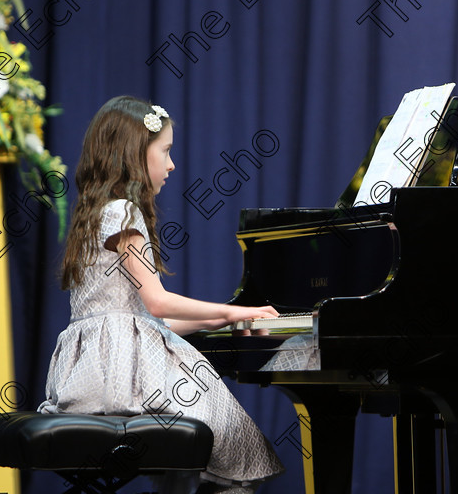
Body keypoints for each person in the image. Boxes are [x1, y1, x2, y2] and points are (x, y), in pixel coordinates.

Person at [38, 96, 285, 493]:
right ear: (136, 154)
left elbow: (152, 322)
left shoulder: (94, 214)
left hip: (86, 374)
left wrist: (234, 316)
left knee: (188, 455)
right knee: (235, 438)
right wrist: (229, 310)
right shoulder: (124, 213)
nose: (171, 165)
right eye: (166, 151)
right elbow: (158, 303)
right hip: (122, 376)